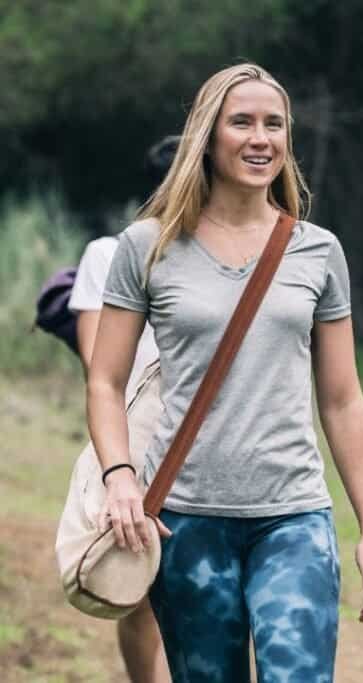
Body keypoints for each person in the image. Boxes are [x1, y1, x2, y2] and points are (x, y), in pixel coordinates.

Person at [86, 63, 363, 681]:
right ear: (208, 135)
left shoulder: (317, 250)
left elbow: (341, 399)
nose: (261, 138)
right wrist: (120, 476)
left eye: (274, 124)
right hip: (184, 522)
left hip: (294, 516)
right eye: (242, 122)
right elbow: (105, 381)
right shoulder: (148, 246)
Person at [69, 137, 178, 682]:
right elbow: (100, 364)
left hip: (202, 436)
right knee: (137, 587)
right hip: (134, 433)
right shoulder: (109, 254)